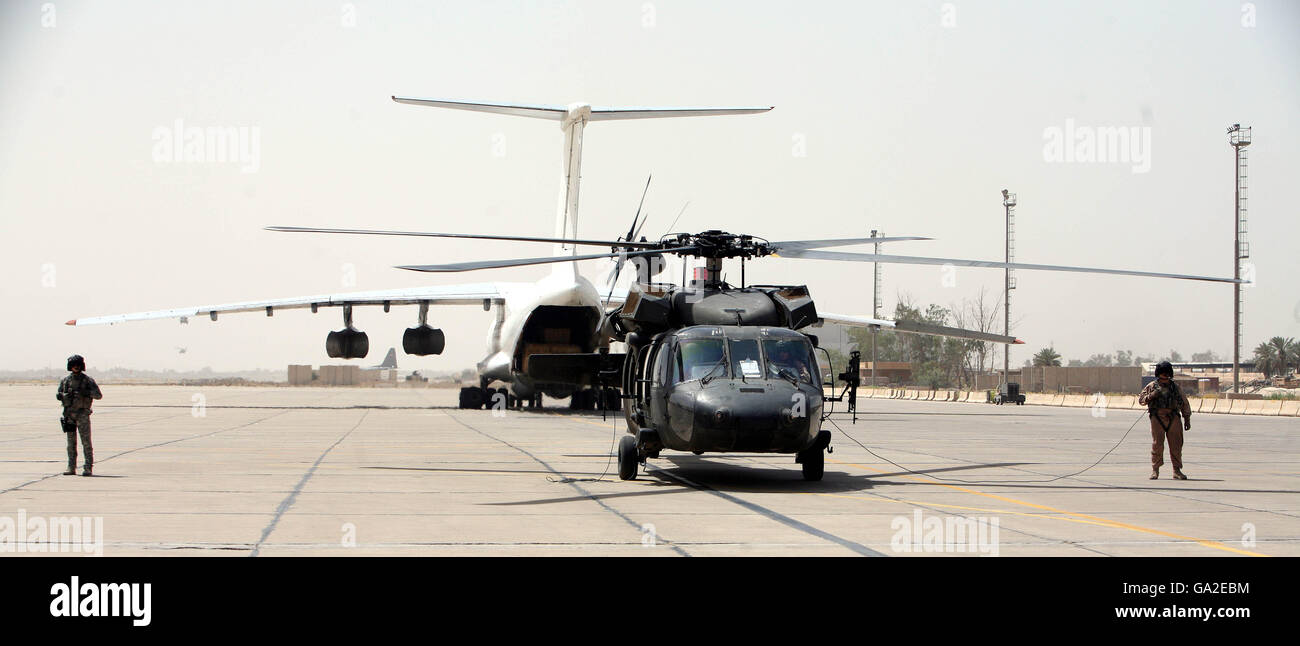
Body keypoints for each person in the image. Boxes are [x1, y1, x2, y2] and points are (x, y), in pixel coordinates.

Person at [1137, 361, 1191, 480]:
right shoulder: (1151, 386)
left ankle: (1177, 470)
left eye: (1167, 373)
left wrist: (1187, 418)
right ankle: (1155, 470)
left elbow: (1184, 403)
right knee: (1157, 445)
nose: (1165, 376)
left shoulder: (1175, 387)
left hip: (1173, 417)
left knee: (1176, 445)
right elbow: (1141, 400)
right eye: (1163, 373)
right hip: (1157, 417)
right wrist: (1151, 396)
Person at [57, 354, 102, 477]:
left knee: (86, 442)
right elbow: (60, 394)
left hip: (82, 415)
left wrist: (86, 392)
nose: (75, 367)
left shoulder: (87, 380)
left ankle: (88, 467)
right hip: (69, 415)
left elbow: (98, 395)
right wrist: (62, 396)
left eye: (77, 365)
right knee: (71, 443)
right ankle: (71, 466)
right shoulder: (65, 381)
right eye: (73, 365)